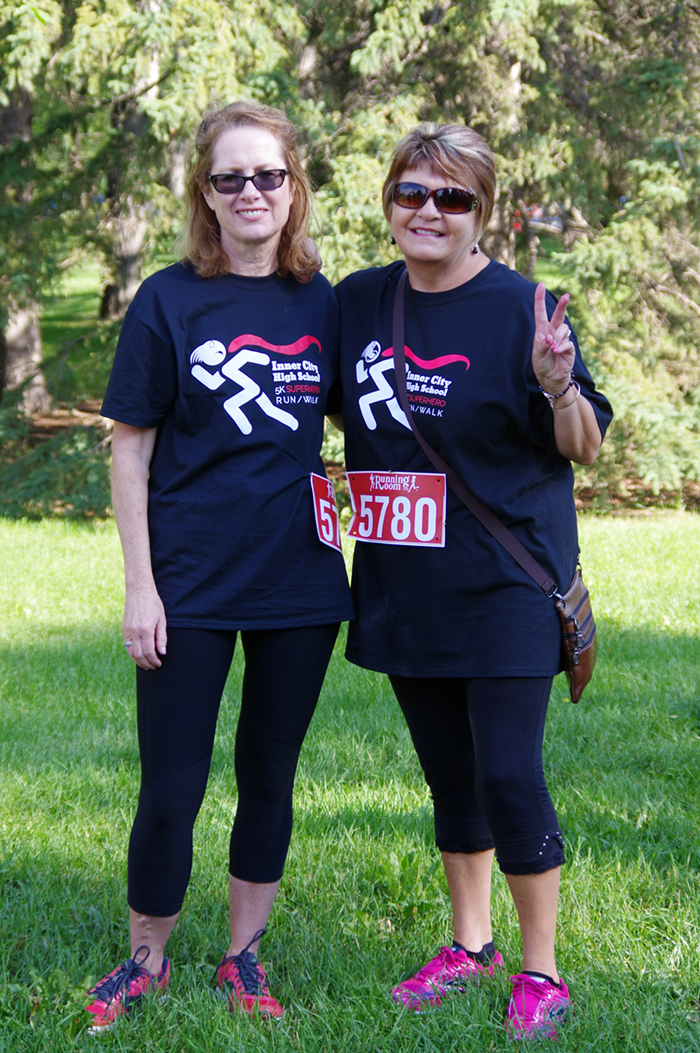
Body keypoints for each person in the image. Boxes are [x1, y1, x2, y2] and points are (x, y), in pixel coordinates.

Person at [333, 123, 612, 1040]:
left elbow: (587, 448)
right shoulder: (359, 302)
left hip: (504, 586)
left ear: (481, 211)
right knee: (450, 778)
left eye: (452, 197)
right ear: (389, 201)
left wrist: (559, 386)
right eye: (413, 192)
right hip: (405, 582)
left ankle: (542, 969)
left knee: (508, 775)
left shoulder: (525, 308)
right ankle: (470, 944)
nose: (429, 211)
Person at [86, 100, 353, 1032]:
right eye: (231, 177)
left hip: (301, 583)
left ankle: (242, 957)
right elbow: (129, 449)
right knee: (171, 785)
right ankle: (145, 959)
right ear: (206, 192)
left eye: (268, 176)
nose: (251, 192)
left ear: (294, 189)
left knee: (268, 775)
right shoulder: (169, 298)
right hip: (189, 581)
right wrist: (140, 587)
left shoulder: (328, 302)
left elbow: (383, 417)